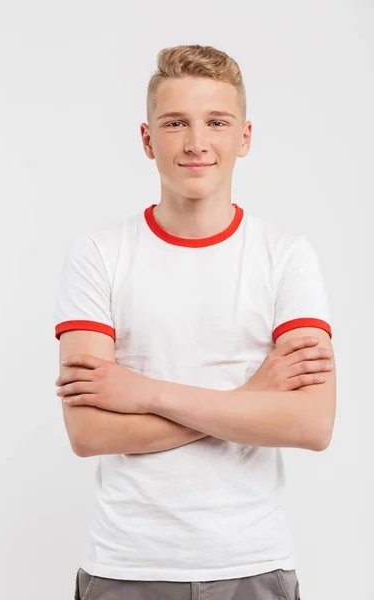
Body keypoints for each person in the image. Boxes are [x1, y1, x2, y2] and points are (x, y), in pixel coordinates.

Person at [54, 44, 336, 600]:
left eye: (216, 122)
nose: (196, 142)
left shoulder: (286, 255)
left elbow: (310, 425)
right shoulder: (99, 254)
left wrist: (140, 391)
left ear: (245, 137)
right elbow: (89, 433)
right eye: (175, 123)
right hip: (127, 566)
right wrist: (252, 397)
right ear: (147, 138)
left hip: (254, 563)